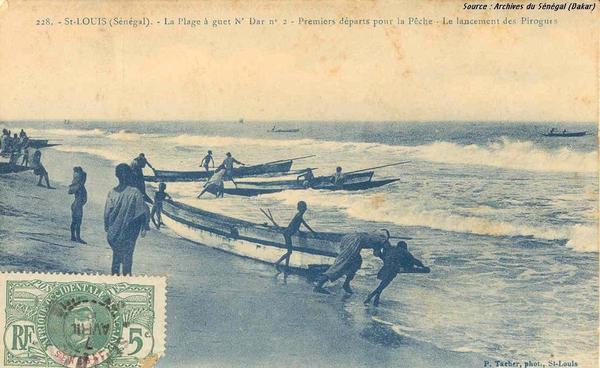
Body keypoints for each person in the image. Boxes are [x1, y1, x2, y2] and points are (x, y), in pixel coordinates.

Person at [104, 163, 150, 276]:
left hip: (114, 231)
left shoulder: (112, 192)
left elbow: (107, 213)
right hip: (130, 230)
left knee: (116, 256)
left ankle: (114, 279)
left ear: (117, 176)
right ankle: (126, 281)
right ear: (129, 175)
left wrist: (107, 226)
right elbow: (142, 211)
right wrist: (144, 227)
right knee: (127, 258)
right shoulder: (135, 192)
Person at [313, 230, 391, 295]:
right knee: (343, 263)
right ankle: (319, 284)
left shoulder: (376, 234)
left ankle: (346, 284)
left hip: (349, 237)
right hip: (355, 240)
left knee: (357, 262)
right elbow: (377, 253)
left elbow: (375, 250)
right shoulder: (382, 239)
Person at [364, 241, 429, 306]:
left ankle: (376, 298)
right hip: (393, 268)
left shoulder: (390, 249)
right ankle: (371, 296)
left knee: (383, 283)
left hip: (385, 267)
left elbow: (382, 256)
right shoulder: (404, 251)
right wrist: (423, 267)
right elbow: (414, 261)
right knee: (384, 284)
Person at [274, 201, 317, 273]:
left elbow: (296, 225)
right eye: (304, 208)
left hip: (287, 233)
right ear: (301, 209)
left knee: (289, 251)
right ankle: (277, 263)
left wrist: (299, 231)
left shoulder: (299, 215)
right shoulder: (299, 215)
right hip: (287, 234)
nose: (305, 209)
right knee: (289, 252)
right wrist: (313, 232)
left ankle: (286, 267)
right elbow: (304, 224)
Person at [68, 167, 88, 243]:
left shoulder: (79, 186)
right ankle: (78, 238)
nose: (85, 180)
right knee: (78, 222)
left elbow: (70, 191)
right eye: (84, 179)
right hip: (77, 206)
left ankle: (73, 236)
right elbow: (70, 191)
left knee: (74, 221)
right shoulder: (80, 186)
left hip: (76, 205)